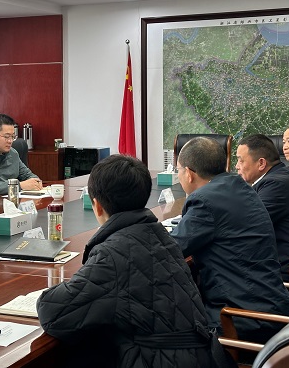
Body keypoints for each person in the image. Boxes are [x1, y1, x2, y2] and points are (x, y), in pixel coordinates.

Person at [37, 155, 215, 368]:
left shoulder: (113, 253)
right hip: (199, 356)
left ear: (97, 206)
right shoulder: (159, 234)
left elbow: (52, 312)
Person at [171, 137, 289, 343]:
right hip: (269, 304)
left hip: (242, 317)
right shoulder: (239, 187)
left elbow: (171, 249)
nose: (178, 175)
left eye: (178, 170)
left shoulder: (204, 200)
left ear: (189, 174)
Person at [236, 134, 289, 281]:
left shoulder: (276, 185)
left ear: (261, 163)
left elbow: (244, 226)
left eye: (240, 160)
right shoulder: (279, 176)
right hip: (284, 263)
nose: (237, 166)